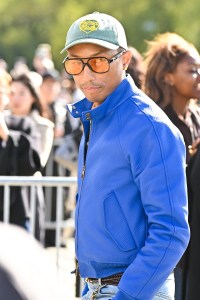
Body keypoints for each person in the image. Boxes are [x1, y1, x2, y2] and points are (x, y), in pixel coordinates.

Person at [61, 12, 190, 299]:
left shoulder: (150, 127)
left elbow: (171, 232)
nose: (86, 73)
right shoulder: (93, 115)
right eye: (75, 63)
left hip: (135, 290)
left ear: (125, 60)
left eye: (98, 60)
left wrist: (127, 295)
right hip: (98, 288)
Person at [143, 32, 200, 300]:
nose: (199, 75)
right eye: (192, 70)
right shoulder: (156, 123)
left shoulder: (195, 117)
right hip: (165, 244)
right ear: (168, 76)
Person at [0, 73, 54, 242]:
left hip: (26, 195)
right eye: (12, 93)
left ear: (33, 96)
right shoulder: (5, 119)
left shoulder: (40, 125)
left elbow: (37, 162)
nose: (16, 98)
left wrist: (9, 138)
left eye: (22, 93)